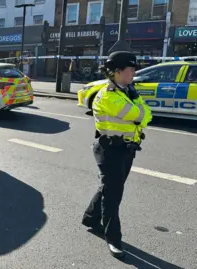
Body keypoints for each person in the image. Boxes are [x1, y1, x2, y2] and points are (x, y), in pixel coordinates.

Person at [82, 51, 153, 259]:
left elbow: (147, 114)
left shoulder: (127, 91)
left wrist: (140, 111)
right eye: (130, 70)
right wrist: (140, 111)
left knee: (109, 187)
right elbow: (139, 115)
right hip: (109, 150)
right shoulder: (108, 95)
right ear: (117, 72)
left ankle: (90, 218)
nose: (133, 74)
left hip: (127, 149)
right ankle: (113, 239)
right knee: (113, 195)